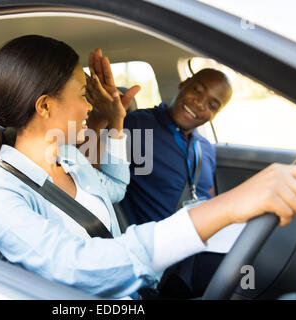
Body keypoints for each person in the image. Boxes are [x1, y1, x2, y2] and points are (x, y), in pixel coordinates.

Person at [0, 35, 296, 300]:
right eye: (82, 94)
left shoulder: (69, 159)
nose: (90, 104)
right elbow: (75, 266)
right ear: (45, 106)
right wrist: (223, 209)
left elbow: (116, 187)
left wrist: (116, 121)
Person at [86, 49, 232, 297]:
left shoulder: (204, 148)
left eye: (212, 105)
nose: (199, 104)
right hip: (161, 256)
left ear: (215, 114)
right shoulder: (138, 126)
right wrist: (105, 117)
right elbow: (87, 167)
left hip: (201, 245)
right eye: (197, 90)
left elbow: (208, 195)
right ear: (184, 83)